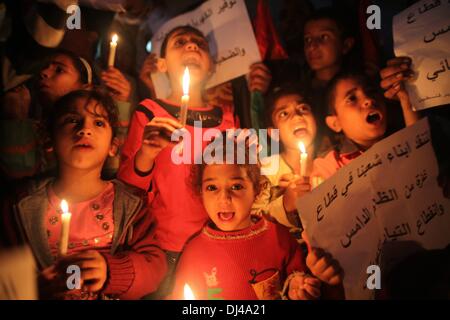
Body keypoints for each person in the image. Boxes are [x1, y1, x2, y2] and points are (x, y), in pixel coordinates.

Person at [1, 89, 167, 299]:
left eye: (98, 123)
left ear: (113, 147)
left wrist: (111, 272)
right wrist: (30, 289)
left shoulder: (130, 204)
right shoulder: (19, 205)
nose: (85, 129)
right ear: (49, 140)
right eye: (72, 120)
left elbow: (154, 266)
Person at [117, 25, 237, 297]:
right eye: (180, 42)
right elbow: (127, 190)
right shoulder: (150, 112)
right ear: (161, 64)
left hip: (216, 243)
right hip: (164, 249)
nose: (192, 46)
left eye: (199, 44)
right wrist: (147, 154)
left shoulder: (227, 117)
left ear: (212, 66)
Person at [172, 135, 323, 300]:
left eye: (236, 186)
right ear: (201, 192)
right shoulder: (194, 253)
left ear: (256, 190)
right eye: (212, 187)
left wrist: (297, 286)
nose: (224, 198)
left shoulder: (279, 237)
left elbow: (298, 276)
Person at [311, 70, 420, 181]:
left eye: (371, 92)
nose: (369, 100)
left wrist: (406, 100)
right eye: (352, 98)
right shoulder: (330, 165)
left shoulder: (403, 141)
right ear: (335, 123)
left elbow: (422, 161)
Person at [251, 84, 321, 232]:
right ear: (272, 132)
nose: (296, 116)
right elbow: (250, 221)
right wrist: (285, 204)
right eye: (283, 114)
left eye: (303, 108)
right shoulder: (265, 172)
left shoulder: (335, 161)